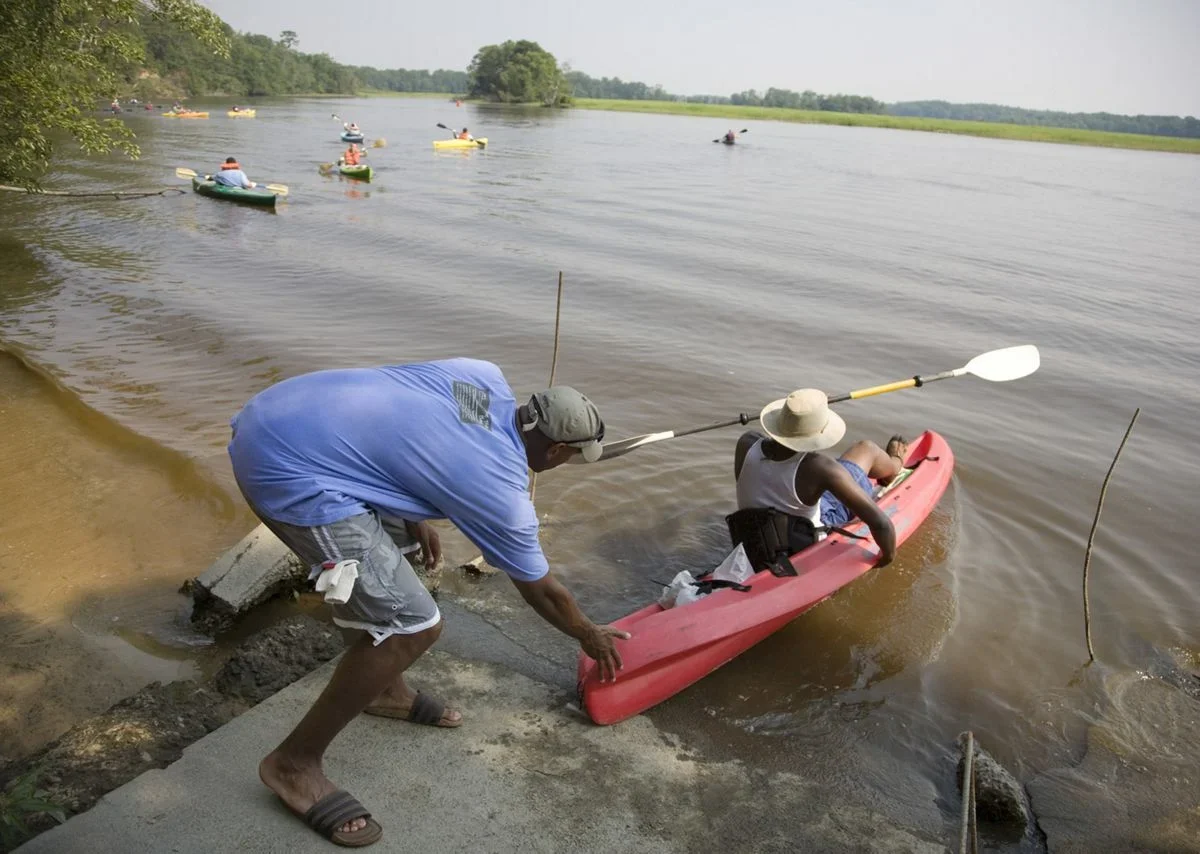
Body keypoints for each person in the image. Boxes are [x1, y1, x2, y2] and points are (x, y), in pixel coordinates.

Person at [227, 357, 628, 847]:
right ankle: (293, 765)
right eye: (570, 457)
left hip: (275, 411)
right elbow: (540, 589)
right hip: (284, 468)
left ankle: (383, 690)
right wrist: (588, 632)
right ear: (558, 449)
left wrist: (412, 508)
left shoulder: (480, 376)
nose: (565, 464)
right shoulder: (501, 492)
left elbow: (411, 430)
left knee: (403, 555)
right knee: (415, 624)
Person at [731, 388, 906, 568]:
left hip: (756, 536)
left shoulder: (746, 443)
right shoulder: (819, 467)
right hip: (805, 539)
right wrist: (886, 559)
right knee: (867, 448)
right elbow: (882, 525)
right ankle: (896, 465)